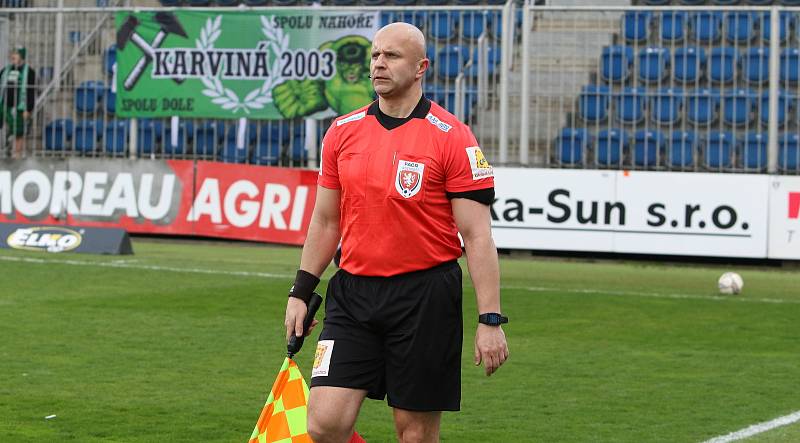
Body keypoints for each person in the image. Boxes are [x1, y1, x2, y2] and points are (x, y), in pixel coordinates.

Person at [284, 22, 509, 443]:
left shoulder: (454, 138)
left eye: (391, 56)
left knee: (415, 435)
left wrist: (490, 320)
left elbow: (477, 236)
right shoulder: (342, 131)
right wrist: (301, 292)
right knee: (323, 423)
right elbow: (326, 220)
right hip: (352, 294)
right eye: (375, 55)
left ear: (421, 67)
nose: (378, 64)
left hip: (425, 298)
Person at [0, 47, 36, 159]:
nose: (13, 56)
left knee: (19, 132)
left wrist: (28, 109)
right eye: (12, 53)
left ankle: (17, 156)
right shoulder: (5, 70)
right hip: (4, 105)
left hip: (20, 107)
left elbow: (31, 92)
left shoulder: (29, 72)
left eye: (16, 54)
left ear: (22, 56)